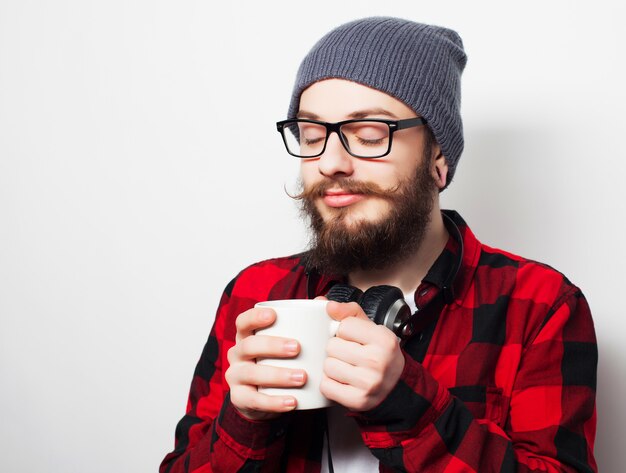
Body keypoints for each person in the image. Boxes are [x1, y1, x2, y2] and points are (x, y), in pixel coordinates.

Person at [160, 17, 597, 473]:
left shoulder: (540, 305)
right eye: (311, 137)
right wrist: (245, 420)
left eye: (370, 135)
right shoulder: (256, 292)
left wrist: (407, 406)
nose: (330, 162)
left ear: (439, 158)